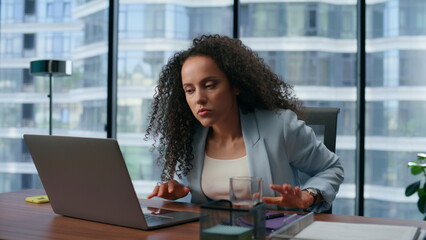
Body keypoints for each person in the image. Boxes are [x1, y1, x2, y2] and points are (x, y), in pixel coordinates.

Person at [145, 34, 344, 212]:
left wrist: (309, 195)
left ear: (236, 85)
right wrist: (180, 190)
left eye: (209, 85)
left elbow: (331, 168)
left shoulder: (280, 126)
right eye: (190, 90)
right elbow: (201, 195)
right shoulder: (192, 136)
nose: (199, 99)